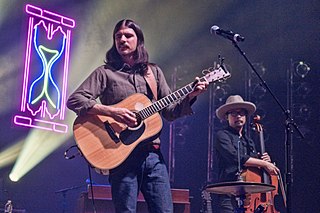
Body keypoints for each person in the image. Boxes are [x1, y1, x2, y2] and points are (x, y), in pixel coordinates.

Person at [67, 19, 208, 213]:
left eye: (128, 35)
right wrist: (112, 112)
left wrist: (191, 96)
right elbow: (75, 100)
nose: (122, 40)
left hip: (152, 156)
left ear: (138, 40)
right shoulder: (106, 73)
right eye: (118, 37)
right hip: (121, 156)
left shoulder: (153, 73)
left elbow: (169, 112)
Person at [214, 95, 279, 212]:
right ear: (226, 117)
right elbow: (235, 157)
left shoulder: (248, 140)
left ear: (245, 117)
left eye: (241, 113)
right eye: (233, 113)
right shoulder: (222, 135)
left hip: (248, 195)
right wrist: (263, 164)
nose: (238, 116)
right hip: (229, 194)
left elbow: (252, 163)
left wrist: (263, 160)